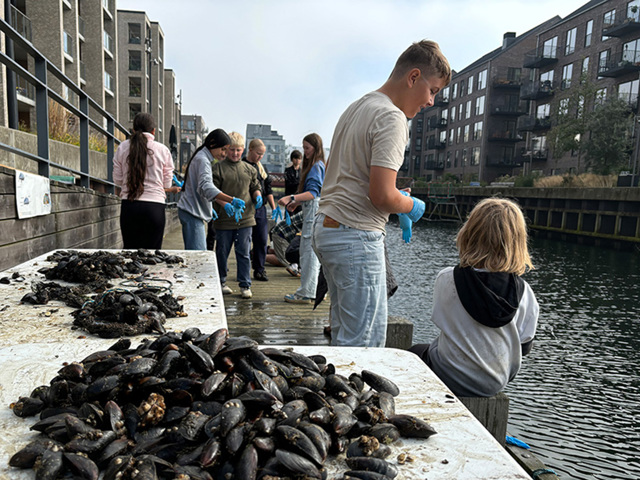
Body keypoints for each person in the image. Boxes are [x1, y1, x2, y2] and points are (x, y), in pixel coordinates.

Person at [313, 40, 451, 347]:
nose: (430, 102)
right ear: (413, 77)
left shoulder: (359, 106)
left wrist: (393, 196)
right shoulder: (392, 117)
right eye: (433, 91)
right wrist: (411, 205)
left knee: (345, 335)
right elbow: (381, 196)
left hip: (328, 228)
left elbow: (359, 179)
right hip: (355, 235)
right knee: (364, 346)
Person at [408, 198, 539, 397]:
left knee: (413, 353)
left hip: (447, 374)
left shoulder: (447, 278)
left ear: (468, 234)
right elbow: (524, 347)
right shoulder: (525, 293)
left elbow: (443, 323)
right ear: (518, 242)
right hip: (494, 383)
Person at [113, 112, 175, 249]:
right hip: (155, 207)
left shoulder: (123, 147)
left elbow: (117, 180)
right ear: (153, 131)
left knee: (130, 255)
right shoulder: (163, 150)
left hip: (130, 205)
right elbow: (167, 184)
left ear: (133, 130)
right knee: (153, 257)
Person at [177, 129, 245, 250]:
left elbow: (201, 188)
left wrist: (208, 207)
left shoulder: (203, 157)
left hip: (193, 211)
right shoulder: (203, 160)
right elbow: (206, 187)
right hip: (192, 212)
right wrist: (231, 200)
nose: (224, 154)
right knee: (198, 257)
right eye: (223, 149)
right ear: (213, 144)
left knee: (196, 255)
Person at [212, 132, 262, 299]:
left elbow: (255, 186)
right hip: (224, 219)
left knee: (244, 252)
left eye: (238, 150)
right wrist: (224, 204)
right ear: (226, 150)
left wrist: (258, 196)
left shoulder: (249, 169)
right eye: (232, 150)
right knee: (222, 251)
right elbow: (214, 192)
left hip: (246, 218)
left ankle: (245, 284)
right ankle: (221, 281)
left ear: (243, 150)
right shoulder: (218, 168)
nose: (235, 153)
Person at [279, 133, 326, 304]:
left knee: (308, 253)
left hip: (313, 211)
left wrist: (291, 198)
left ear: (316, 147)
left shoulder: (315, 167)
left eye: (307, 148)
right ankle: (315, 290)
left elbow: (313, 193)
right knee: (313, 253)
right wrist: (297, 203)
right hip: (314, 210)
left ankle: (307, 292)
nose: (305, 152)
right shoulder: (320, 165)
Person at [243, 138, 276, 282]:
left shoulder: (262, 168)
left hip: (260, 208)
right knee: (244, 240)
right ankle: (243, 271)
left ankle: (259, 269)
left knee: (262, 239)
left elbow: (268, 189)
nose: (260, 157)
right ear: (250, 150)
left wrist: (274, 208)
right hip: (245, 207)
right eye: (258, 154)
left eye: (262, 154)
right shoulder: (242, 165)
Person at [267, 210, 304, 276]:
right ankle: (259, 257)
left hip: (288, 235)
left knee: (293, 254)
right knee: (285, 261)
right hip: (281, 234)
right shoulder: (315, 214)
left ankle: (268, 250)